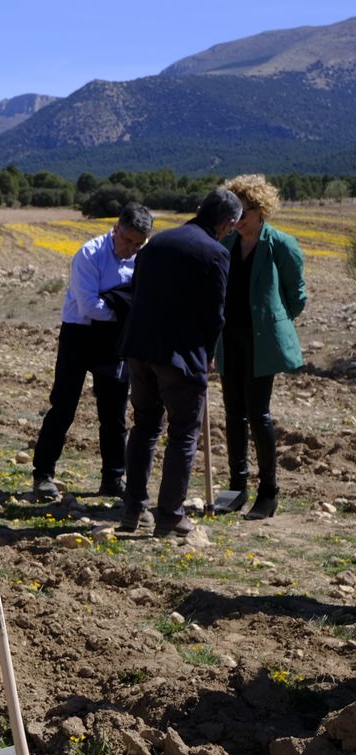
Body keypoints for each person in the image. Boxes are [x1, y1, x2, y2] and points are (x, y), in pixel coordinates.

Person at [119, 189, 242, 538]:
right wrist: (206, 355)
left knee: (143, 427)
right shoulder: (216, 253)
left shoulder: (156, 244)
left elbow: (136, 292)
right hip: (180, 357)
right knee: (183, 433)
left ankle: (132, 510)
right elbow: (214, 315)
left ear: (199, 209)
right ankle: (171, 514)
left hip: (140, 349)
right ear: (229, 224)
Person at [30, 204, 153, 501]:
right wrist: (125, 307)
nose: (132, 249)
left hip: (115, 340)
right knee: (63, 406)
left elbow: (137, 300)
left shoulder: (142, 258)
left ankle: (113, 478)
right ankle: (43, 475)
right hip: (79, 335)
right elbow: (89, 306)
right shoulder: (90, 254)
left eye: (139, 243)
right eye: (128, 241)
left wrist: (119, 305)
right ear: (116, 230)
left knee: (114, 413)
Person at [216, 174, 307, 520]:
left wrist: (273, 323)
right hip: (229, 340)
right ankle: (236, 488)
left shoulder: (281, 244)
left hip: (260, 342)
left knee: (258, 414)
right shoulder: (225, 244)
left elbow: (296, 297)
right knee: (232, 413)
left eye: (244, 211)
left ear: (261, 209)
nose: (237, 219)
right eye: (234, 211)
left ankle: (268, 492)